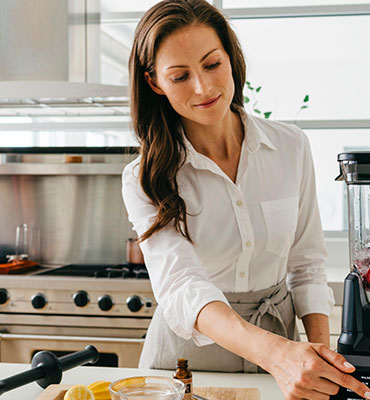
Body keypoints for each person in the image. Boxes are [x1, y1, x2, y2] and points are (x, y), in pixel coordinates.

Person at [122, 1, 370, 399]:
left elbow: (306, 263)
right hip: (187, 360)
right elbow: (183, 286)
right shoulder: (143, 178)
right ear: (155, 83)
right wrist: (278, 355)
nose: (202, 87)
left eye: (212, 64)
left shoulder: (290, 146)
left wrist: (320, 360)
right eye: (180, 76)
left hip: (280, 348)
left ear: (231, 58)